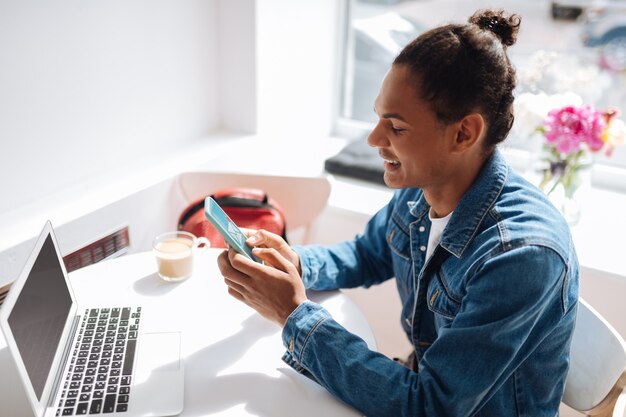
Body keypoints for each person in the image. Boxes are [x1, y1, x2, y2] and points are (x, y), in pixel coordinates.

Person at [217, 8, 579, 417]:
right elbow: (367, 253)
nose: (374, 139)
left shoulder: (521, 257)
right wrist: (294, 263)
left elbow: (430, 406)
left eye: (397, 127)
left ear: (464, 133)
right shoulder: (421, 192)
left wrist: (293, 313)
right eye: (377, 118)